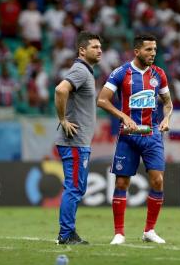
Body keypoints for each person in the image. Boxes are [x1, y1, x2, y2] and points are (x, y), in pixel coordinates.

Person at [97, 34, 173, 245]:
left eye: (155, 50)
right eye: (149, 50)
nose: (153, 54)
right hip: (128, 137)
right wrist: (123, 116)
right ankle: (119, 233)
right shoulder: (121, 73)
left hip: (152, 136)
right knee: (122, 181)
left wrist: (167, 117)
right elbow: (102, 100)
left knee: (157, 180)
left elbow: (167, 102)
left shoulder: (159, 74)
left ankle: (149, 230)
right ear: (137, 51)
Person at [54, 31, 102, 245]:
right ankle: (66, 234)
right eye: (94, 47)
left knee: (77, 187)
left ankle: (68, 232)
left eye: (100, 47)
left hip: (79, 141)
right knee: (74, 188)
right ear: (82, 50)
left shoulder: (85, 71)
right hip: (74, 141)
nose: (99, 50)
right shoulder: (81, 70)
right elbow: (60, 89)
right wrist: (63, 119)